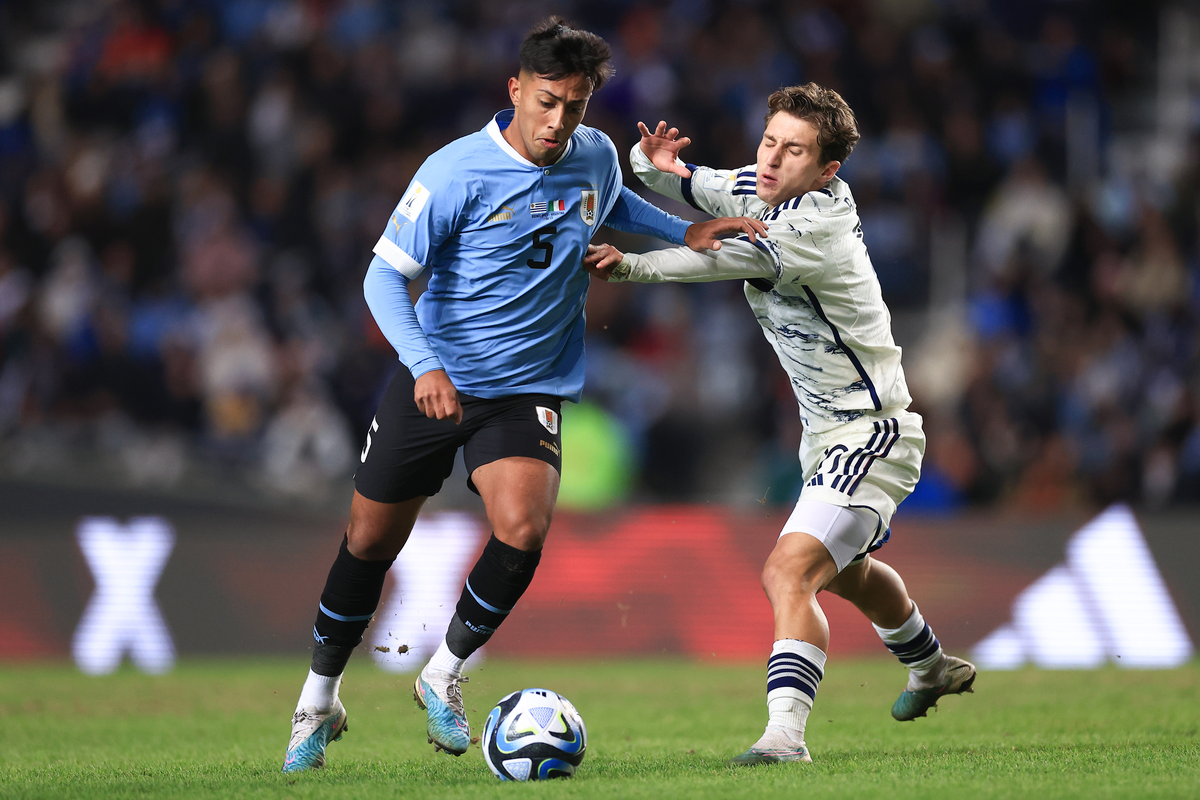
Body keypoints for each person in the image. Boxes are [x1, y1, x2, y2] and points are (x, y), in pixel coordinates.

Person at [281, 18, 766, 773]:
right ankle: (319, 699)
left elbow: (611, 208)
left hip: (527, 386)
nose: (558, 121)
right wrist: (424, 366)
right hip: (434, 377)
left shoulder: (595, 155)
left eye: (574, 106)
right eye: (546, 102)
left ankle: (442, 675)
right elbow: (383, 277)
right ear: (515, 90)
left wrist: (688, 231)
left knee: (523, 527)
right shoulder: (454, 172)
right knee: (370, 542)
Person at [584, 83, 976, 765]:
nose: (771, 160)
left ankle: (784, 738)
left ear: (827, 171)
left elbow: (721, 255)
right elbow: (699, 185)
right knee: (848, 573)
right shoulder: (765, 182)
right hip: (824, 435)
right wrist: (651, 164)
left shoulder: (812, 229)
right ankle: (931, 666)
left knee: (788, 572)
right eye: (769, 141)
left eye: (793, 151)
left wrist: (632, 266)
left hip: (871, 429)